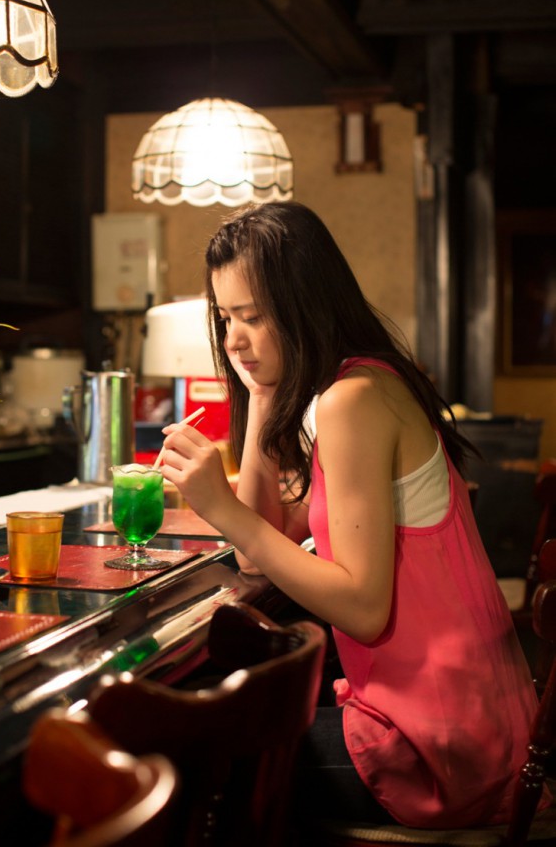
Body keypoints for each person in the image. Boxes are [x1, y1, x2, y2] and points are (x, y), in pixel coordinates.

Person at [160, 201, 546, 832]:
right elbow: (256, 554)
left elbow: (363, 607)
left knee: (197, 762)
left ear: (305, 304)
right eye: (225, 317)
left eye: (252, 317)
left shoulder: (354, 399)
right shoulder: (353, 386)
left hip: (438, 745)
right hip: (451, 717)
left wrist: (220, 505)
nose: (232, 339)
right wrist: (260, 398)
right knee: (220, 725)